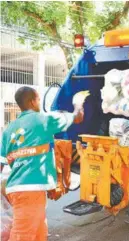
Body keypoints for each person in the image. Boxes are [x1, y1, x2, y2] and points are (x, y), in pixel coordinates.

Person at [0, 86, 84, 241]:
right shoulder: (43, 120)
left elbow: (1, 164)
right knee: (22, 235)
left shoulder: (8, 130)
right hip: (29, 191)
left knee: (39, 232)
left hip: (20, 190)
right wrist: (78, 102)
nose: (39, 103)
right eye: (39, 99)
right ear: (32, 102)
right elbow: (77, 117)